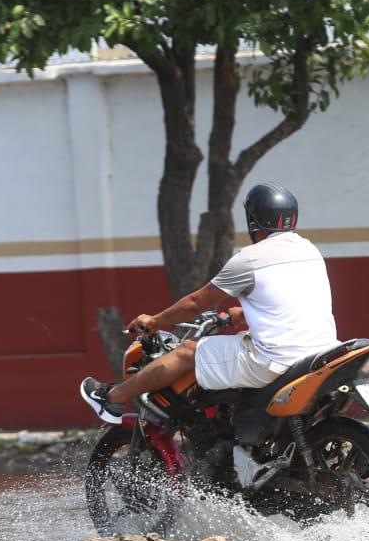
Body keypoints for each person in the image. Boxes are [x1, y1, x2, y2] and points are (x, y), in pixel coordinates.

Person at [79, 182, 338, 424]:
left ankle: (112, 398)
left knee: (186, 352)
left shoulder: (250, 259)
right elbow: (290, 302)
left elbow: (194, 303)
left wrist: (154, 321)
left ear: (253, 220)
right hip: (319, 353)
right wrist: (245, 314)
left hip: (273, 361)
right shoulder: (309, 251)